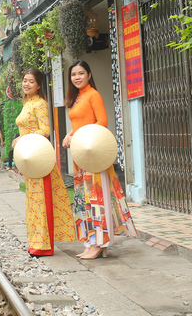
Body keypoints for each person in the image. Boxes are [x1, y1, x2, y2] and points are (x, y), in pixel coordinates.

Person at [62, 60, 137, 259]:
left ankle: (100, 242)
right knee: (84, 200)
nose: (77, 77)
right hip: (80, 154)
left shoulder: (93, 94)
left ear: (89, 74)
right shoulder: (77, 97)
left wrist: (77, 137)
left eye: (80, 73)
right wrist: (69, 135)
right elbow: (80, 122)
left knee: (96, 199)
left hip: (92, 153)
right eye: (73, 74)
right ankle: (90, 242)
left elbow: (101, 122)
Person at [12, 69, 75, 257]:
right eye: (25, 80)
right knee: (34, 200)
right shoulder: (27, 103)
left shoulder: (39, 103)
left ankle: (43, 244)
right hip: (30, 156)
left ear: (39, 85)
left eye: (31, 81)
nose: (27, 84)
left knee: (41, 199)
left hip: (38, 156)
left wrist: (23, 138)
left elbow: (46, 130)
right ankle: (36, 240)